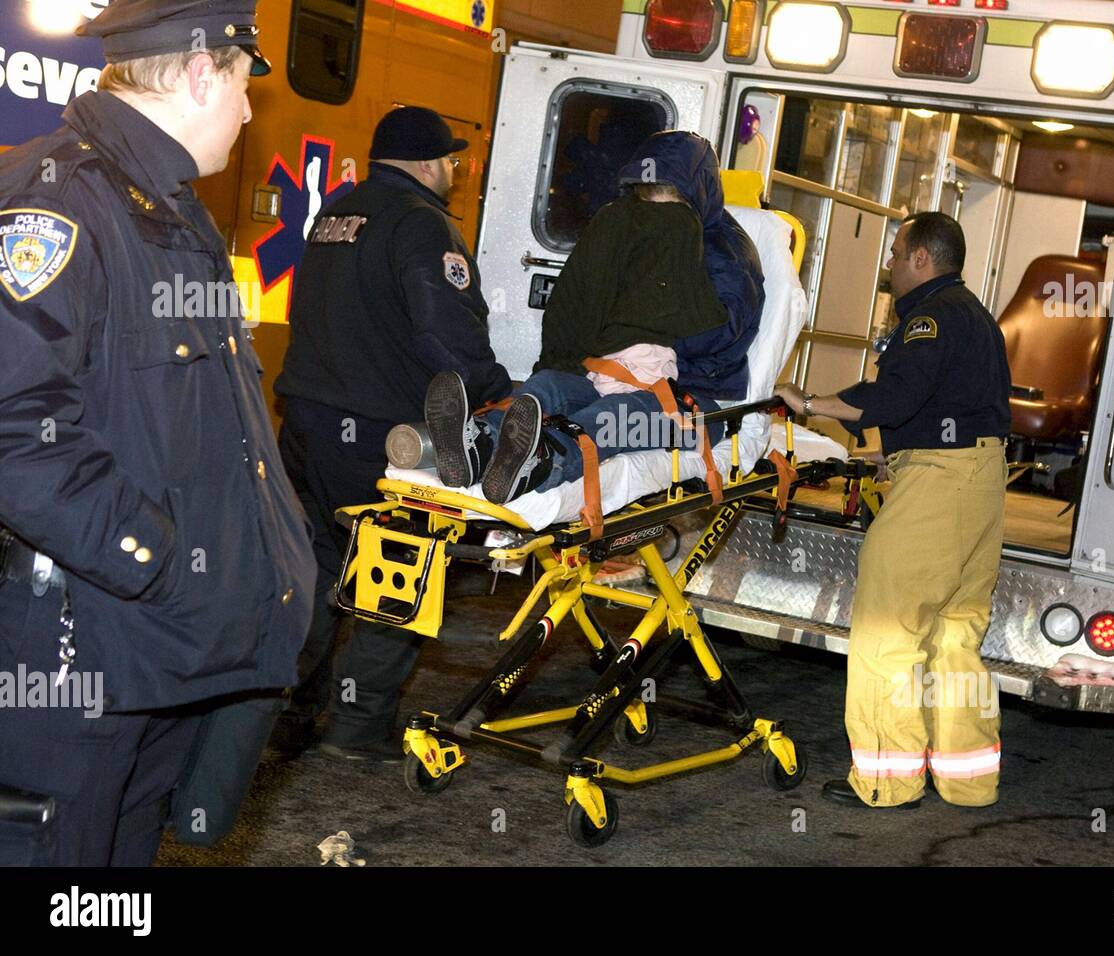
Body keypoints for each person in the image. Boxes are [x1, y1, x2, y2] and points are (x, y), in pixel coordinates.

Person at [0, 0, 314, 865]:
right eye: (246, 83)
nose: (250, 110)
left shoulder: (171, 210)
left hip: (161, 655)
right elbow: (12, 432)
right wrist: (159, 557)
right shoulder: (57, 203)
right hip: (78, 654)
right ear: (201, 70)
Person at [272, 107, 511, 762]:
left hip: (305, 424)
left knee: (316, 567)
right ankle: (357, 725)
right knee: (399, 568)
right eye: (453, 163)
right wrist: (494, 391)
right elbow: (445, 332)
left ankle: (283, 717)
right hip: (381, 436)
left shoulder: (333, 215)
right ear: (432, 163)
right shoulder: (420, 224)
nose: (455, 174)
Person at [776, 212, 1011, 810]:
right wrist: (897, 453)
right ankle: (968, 781)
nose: (888, 264)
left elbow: (896, 396)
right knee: (955, 636)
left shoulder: (930, 319)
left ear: (922, 260)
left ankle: (885, 779)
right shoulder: (976, 315)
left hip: (940, 485)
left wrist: (810, 403)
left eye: (896, 252)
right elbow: (946, 401)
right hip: (979, 479)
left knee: (886, 634)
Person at [426, 130, 764, 506]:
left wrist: (642, 328)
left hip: (695, 404)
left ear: (695, 196)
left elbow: (724, 330)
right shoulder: (630, 228)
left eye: (666, 201)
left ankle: (545, 461)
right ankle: (480, 443)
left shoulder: (727, 253)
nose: (654, 212)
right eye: (646, 199)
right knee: (548, 387)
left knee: (612, 417)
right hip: (609, 372)